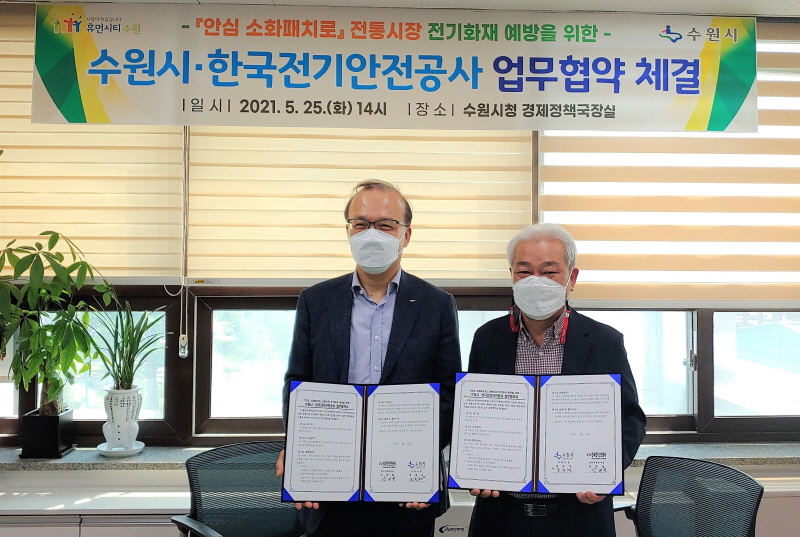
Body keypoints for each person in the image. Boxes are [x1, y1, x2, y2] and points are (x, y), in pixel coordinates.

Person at [277, 179, 461, 537]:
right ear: (348, 231)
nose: (371, 233)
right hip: (329, 485)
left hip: (407, 490)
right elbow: (298, 383)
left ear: (406, 235)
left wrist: (420, 457)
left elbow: (449, 393)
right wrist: (298, 447)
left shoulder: (437, 305)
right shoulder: (316, 301)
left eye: (385, 225)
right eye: (360, 224)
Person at [467, 223, 646, 537]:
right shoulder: (487, 338)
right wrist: (474, 466)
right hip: (501, 513)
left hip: (579, 514)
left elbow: (630, 418)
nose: (535, 281)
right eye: (524, 272)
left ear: (571, 278)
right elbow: (474, 415)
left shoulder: (604, 341)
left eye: (549, 272)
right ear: (511, 275)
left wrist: (605, 474)